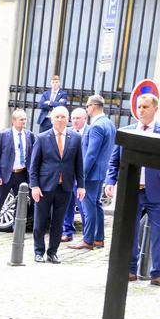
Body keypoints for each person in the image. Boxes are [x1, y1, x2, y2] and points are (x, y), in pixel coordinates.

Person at [105, 93, 160, 288]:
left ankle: (158, 274)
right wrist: (110, 181)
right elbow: (115, 160)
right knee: (129, 231)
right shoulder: (127, 131)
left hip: (157, 190)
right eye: (139, 107)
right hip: (131, 190)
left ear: (155, 108)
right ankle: (130, 270)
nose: (141, 110)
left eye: (145, 107)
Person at [29, 106, 84, 264]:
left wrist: (81, 185)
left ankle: (52, 252)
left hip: (65, 187)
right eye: (57, 117)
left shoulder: (75, 138)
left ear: (67, 120)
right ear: (51, 119)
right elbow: (34, 165)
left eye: (63, 117)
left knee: (58, 223)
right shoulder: (41, 137)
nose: (60, 120)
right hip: (44, 187)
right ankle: (38, 251)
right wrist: (34, 186)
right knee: (40, 221)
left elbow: (79, 164)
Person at [68, 95, 116, 250]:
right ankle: (99, 239)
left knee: (89, 208)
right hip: (100, 172)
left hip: (91, 174)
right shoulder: (109, 124)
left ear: (94, 106)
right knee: (96, 205)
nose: (87, 108)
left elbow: (91, 154)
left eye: (87, 106)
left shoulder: (96, 126)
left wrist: (81, 176)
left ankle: (88, 240)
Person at [0, 109, 34, 240]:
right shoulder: (3, 135)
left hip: (22, 174)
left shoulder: (29, 135)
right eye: (21, 119)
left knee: (21, 203)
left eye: (25, 119)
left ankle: (17, 230)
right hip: (6, 175)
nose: (24, 122)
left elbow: (33, 156)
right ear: (13, 121)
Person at [62, 107, 89, 241]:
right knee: (67, 205)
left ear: (85, 118)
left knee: (83, 207)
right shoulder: (68, 133)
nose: (75, 121)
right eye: (73, 118)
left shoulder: (90, 132)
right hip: (68, 176)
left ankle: (87, 235)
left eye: (78, 118)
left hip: (82, 176)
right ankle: (67, 232)